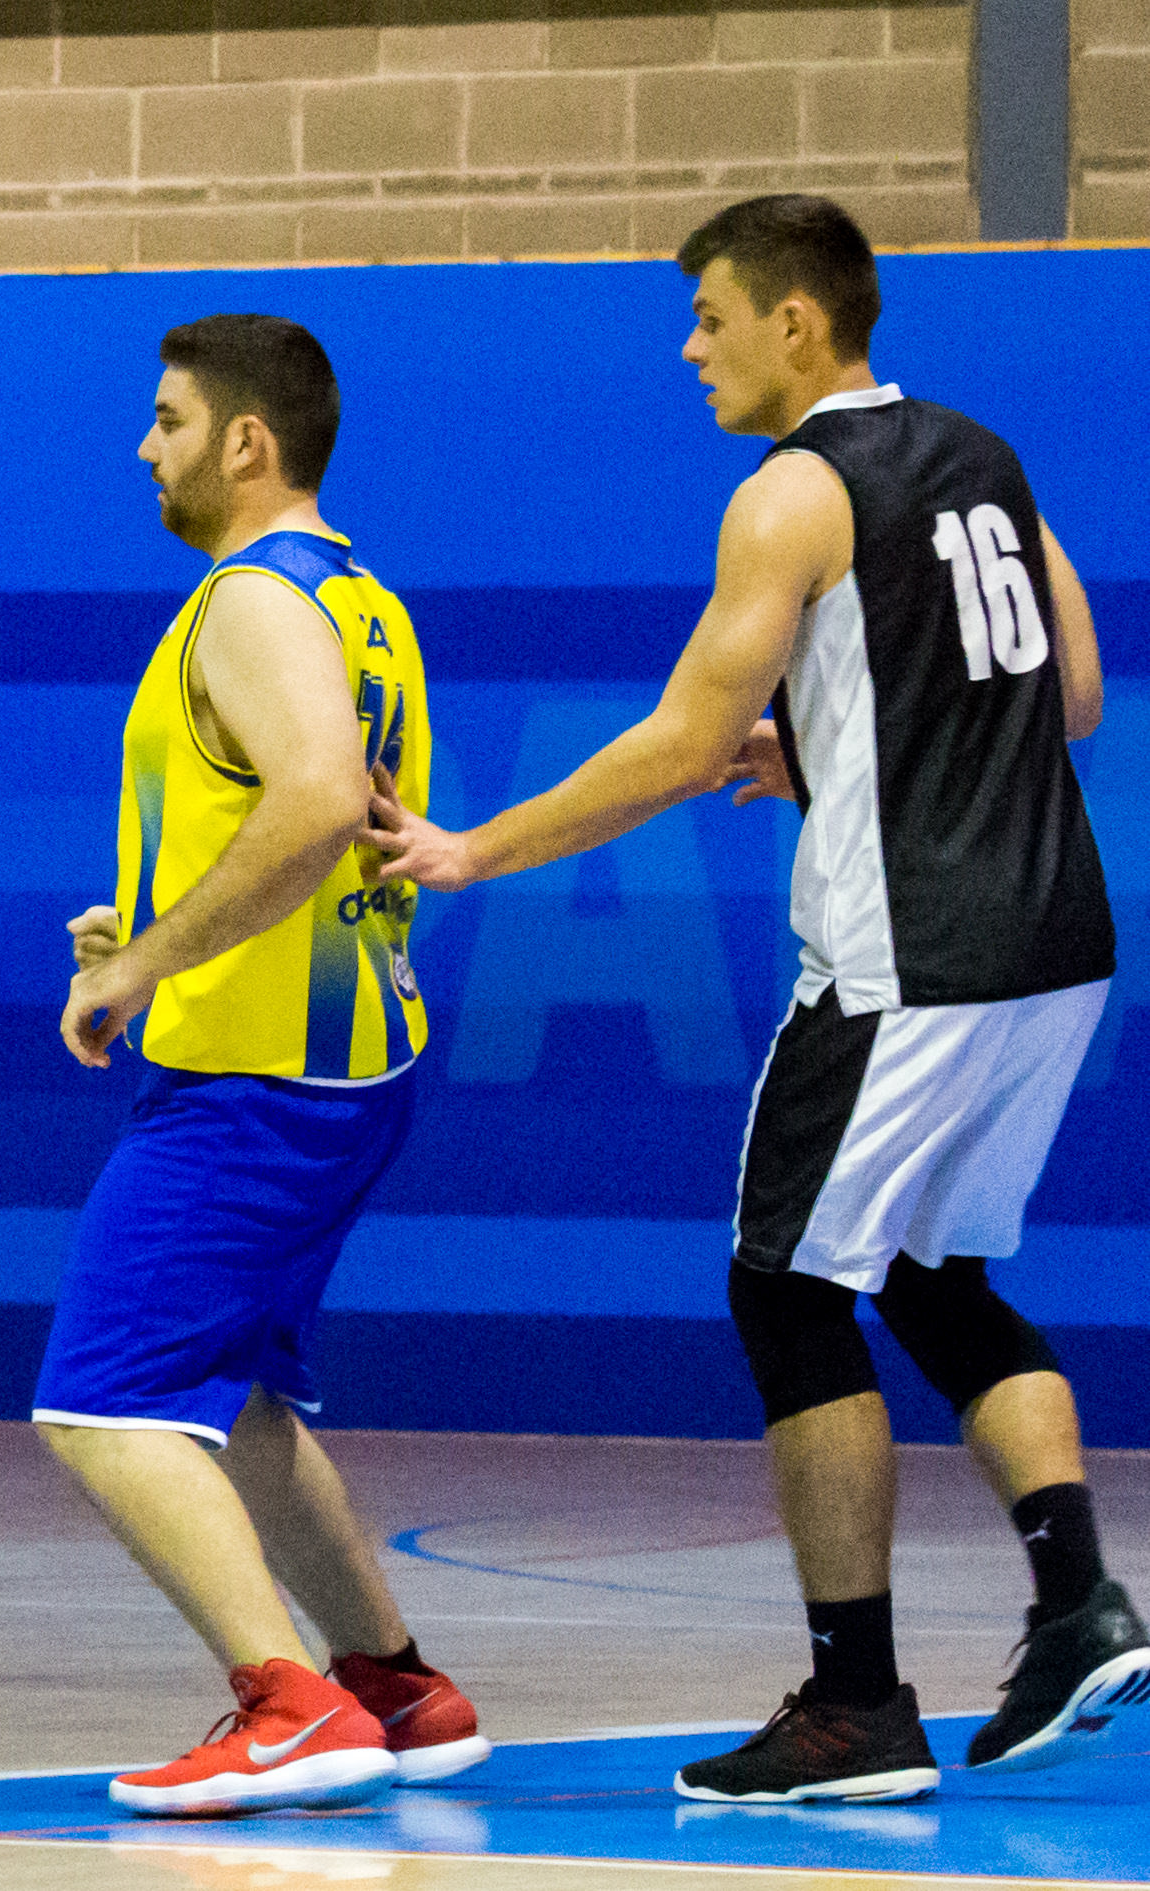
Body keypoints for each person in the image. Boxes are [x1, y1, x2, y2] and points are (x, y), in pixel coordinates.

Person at [370, 195, 1147, 1803]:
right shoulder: (987, 455)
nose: (691, 348)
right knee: (929, 1267)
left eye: (710, 317)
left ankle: (855, 1702)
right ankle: (1077, 1597)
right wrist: (832, 741)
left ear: (797, 322)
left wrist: (473, 849)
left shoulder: (790, 491)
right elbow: (1068, 694)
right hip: (1056, 942)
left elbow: (675, 739)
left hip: (905, 956)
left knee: (784, 1290)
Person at [45, 315, 486, 1817]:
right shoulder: (361, 599)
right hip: (344, 1058)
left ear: (247, 441)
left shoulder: (245, 597)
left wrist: (141, 963)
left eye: (168, 420)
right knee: (233, 1402)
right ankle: (396, 1685)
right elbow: (312, 818)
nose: (144, 446)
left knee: (102, 1401)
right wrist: (159, 918)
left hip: (256, 1081)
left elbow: (310, 801)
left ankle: (286, 1705)